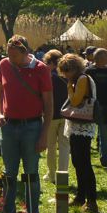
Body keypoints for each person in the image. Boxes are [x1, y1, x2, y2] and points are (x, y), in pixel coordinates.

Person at [0, 35, 52, 213]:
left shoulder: (40, 69)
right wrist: (0, 111)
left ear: (25, 52)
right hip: (9, 126)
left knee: (31, 174)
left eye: (14, 56)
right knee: (9, 173)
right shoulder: (4, 64)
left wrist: (44, 135)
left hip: (32, 127)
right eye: (8, 55)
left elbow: (49, 105)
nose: (11, 60)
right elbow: (0, 90)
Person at [57, 53, 98, 213]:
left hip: (83, 126)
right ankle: (80, 197)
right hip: (76, 125)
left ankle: (91, 200)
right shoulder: (78, 79)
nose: (65, 74)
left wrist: (68, 86)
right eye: (63, 71)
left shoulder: (81, 79)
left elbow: (75, 101)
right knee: (77, 162)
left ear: (75, 68)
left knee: (84, 163)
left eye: (67, 70)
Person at [42, 49, 69, 182]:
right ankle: (62, 174)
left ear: (52, 63)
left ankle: (51, 174)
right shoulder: (67, 76)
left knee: (50, 146)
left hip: (51, 116)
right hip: (66, 115)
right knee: (64, 146)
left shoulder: (48, 77)